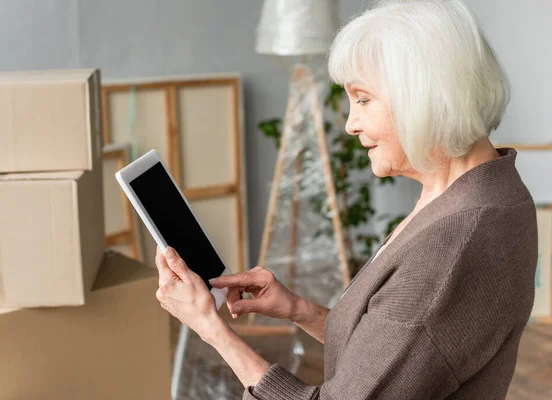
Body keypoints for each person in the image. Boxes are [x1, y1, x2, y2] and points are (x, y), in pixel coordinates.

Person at [154, 0, 538, 398]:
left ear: (424, 95)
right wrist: (298, 310)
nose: (351, 124)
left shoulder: (452, 244)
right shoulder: (485, 190)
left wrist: (211, 329)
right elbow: (402, 353)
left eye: (364, 99)